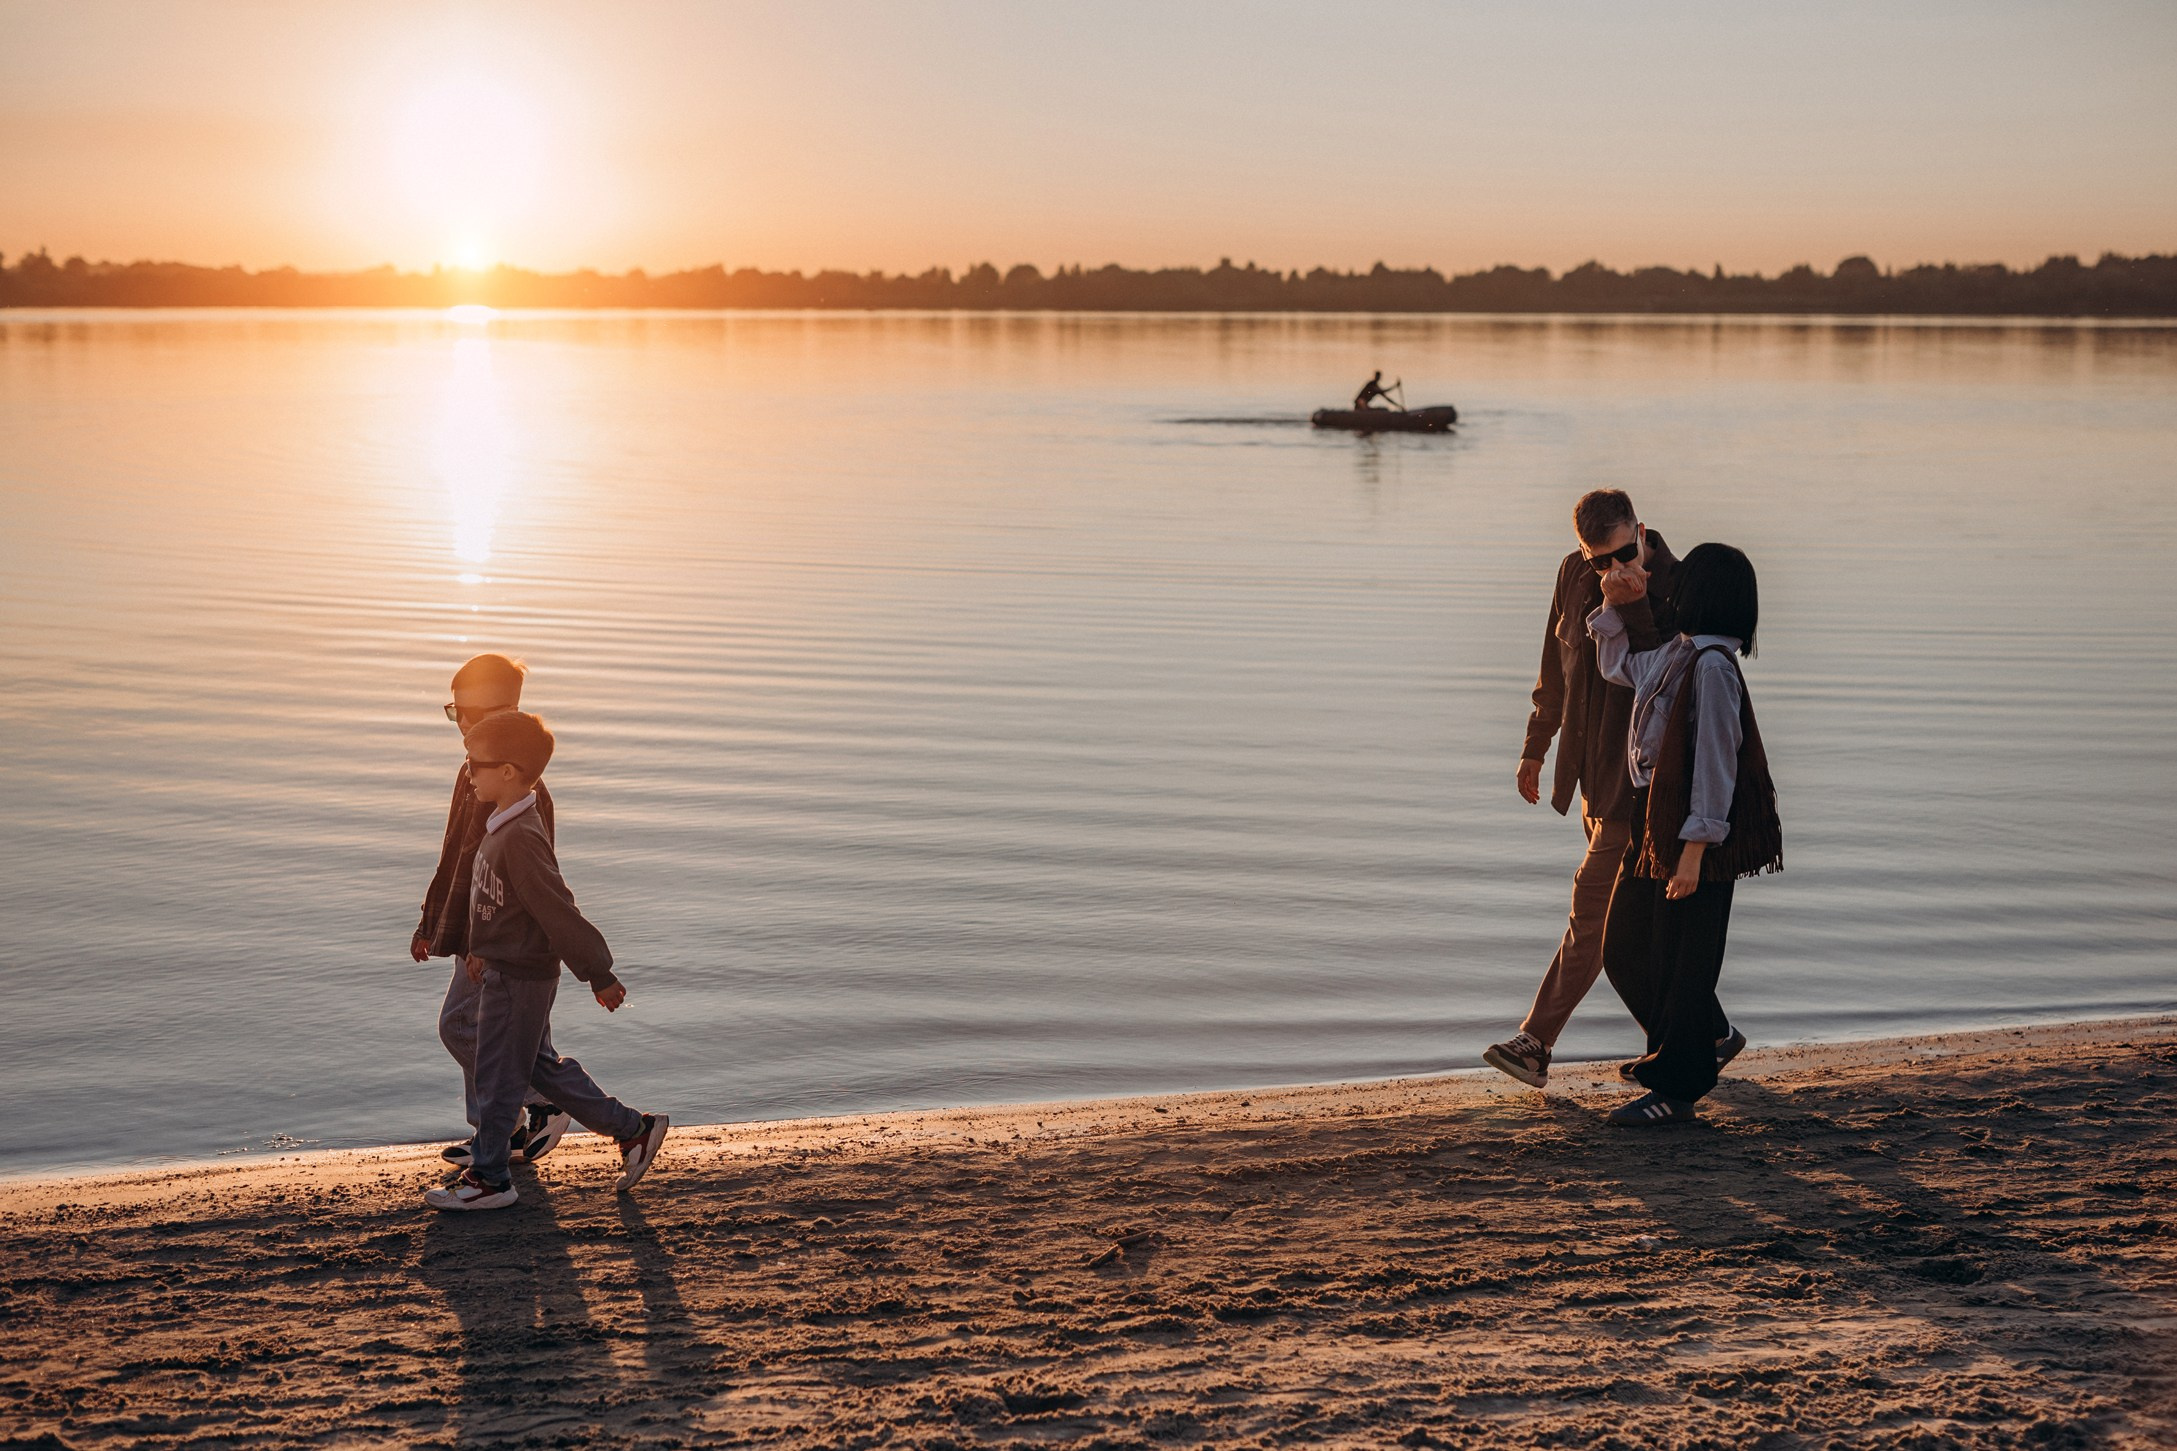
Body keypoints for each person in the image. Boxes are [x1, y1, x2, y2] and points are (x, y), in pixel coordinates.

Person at [1484, 489, 1709, 1088]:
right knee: (1627, 928)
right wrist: (1537, 746)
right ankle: (1707, 1032)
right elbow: (1554, 666)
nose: (1612, 569)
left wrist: (1632, 608)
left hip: (1642, 787)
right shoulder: (1573, 571)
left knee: (1593, 914)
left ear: (1641, 529)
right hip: (1591, 777)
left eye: (1622, 553)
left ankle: (1535, 1044)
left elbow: (1660, 683)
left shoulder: (1679, 587)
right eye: (1598, 560)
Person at [425, 711, 670, 1210]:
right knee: (539, 1070)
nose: (469, 772)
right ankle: (635, 1129)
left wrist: (598, 973)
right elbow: (497, 903)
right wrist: (478, 950)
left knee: (497, 1077)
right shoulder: (501, 824)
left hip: (521, 977)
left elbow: (556, 909)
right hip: (502, 967)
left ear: (510, 771)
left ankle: (491, 1178)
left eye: (477, 764)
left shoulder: (521, 836)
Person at [1587, 543, 1781, 1126]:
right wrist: (1610, 607)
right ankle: (1703, 1041)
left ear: (1703, 593)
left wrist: (1694, 851)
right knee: (1624, 947)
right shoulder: (1681, 652)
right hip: (1656, 818)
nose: (1664, 581)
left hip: (1694, 831)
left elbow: (1716, 762)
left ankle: (1677, 1089)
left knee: (1683, 962)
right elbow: (1620, 667)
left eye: (1679, 577)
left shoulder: (1716, 668)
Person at [414, 653, 570, 1170]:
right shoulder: (474, 773)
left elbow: (529, 882)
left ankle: (542, 1101)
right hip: (470, 931)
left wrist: (481, 944)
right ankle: (494, 1137)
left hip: (500, 938)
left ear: (507, 711)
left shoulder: (518, 790)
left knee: (461, 1027)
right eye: (453, 713)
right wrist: (430, 923)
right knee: (494, 1029)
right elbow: (455, 855)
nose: (460, 726)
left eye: (469, 714)